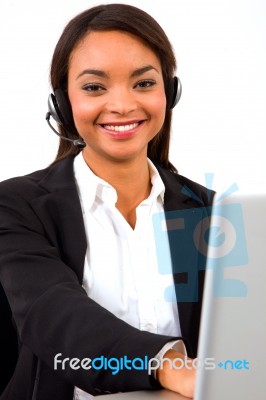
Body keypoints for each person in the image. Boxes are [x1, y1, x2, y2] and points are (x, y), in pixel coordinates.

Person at [0, 4, 214, 400]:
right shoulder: (16, 206)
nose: (122, 105)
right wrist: (168, 364)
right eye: (95, 87)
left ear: (170, 92)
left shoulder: (209, 211)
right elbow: (55, 315)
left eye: (144, 83)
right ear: (63, 104)